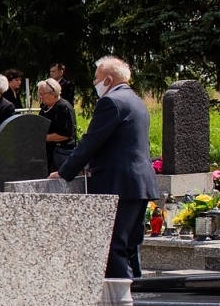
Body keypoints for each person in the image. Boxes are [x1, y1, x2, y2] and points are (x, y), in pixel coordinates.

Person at [56, 57, 157, 278]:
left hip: (118, 182)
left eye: (97, 78)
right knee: (130, 245)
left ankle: (119, 302)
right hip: (139, 182)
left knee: (113, 246)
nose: (94, 82)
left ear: (109, 79)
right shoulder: (136, 101)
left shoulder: (111, 102)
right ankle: (136, 292)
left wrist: (64, 172)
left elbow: (92, 141)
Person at [40, 78, 79, 171]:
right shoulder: (45, 107)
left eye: (42, 94)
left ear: (52, 93)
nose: (40, 97)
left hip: (60, 154)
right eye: (39, 94)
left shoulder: (63, 107)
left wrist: (41, 137)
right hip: (48, 155)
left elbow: (65, 134)